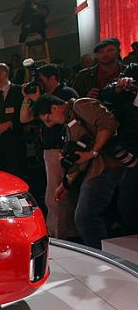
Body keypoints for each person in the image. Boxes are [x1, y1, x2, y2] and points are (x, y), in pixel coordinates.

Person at [33, 94, 122, 249]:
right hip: (96, 169)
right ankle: (102, 253)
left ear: (54, 108)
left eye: (48, 119)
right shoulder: (69, 124)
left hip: (106, 166)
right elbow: (79, 159)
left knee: (85, 217)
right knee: (87, 217)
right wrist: (65, 185)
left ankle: (102, 256)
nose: (49, 125)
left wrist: (93, 152)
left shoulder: (81, 105)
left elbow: (108, 124)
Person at [21, 64, 79, 238]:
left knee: (57, 196)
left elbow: (60, 122)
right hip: (48, 151)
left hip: (63, 149)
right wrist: (27, 98)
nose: (38, 84)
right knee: (54, 196)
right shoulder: (42, 99)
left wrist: (40, 99)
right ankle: (58, 232)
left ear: (53, 78)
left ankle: (61, 235)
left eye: (42, 80)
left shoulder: (66, 94)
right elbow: (24, 118)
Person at [101, 63, 138, 235]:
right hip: (132, 144)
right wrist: (119, 86)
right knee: (127, 199)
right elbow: (107, 94)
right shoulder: (132, 71)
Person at [0, 63, 26, 176]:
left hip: (15, 144)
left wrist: (11, 123)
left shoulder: (20, 91)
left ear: (3, 74)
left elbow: (28, 116)